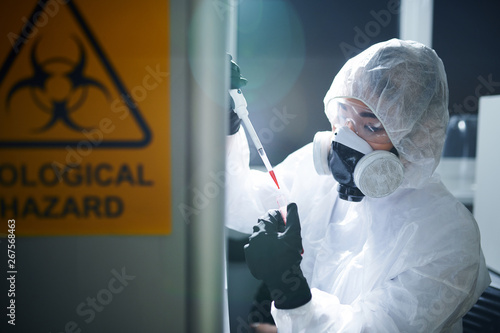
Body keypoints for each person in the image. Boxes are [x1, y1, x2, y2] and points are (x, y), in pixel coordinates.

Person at [226, 39, 491, 332]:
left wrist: (290, 292)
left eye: (373, 126)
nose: (345, 140)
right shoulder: (316, 177)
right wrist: (225, 124)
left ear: (415, 137)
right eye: (343, 117)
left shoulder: (448, 237)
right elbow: (235, 200)